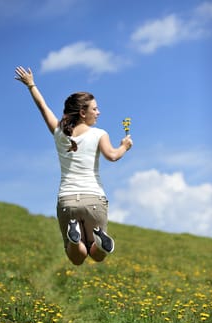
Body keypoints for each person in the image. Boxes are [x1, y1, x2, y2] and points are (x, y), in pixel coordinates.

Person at [15, 66, 133, 265]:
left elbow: (43, 107)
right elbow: (112, 156)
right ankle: (100, 242)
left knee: (76, 257)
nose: (98, 112)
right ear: (82, 112)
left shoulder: (59, 132)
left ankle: (74, 235)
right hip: (93, 199)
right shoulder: (98, 134)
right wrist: (125, 146)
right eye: (94, 109)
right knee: (96, 255)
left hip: (67, 201)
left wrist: (31, 85)